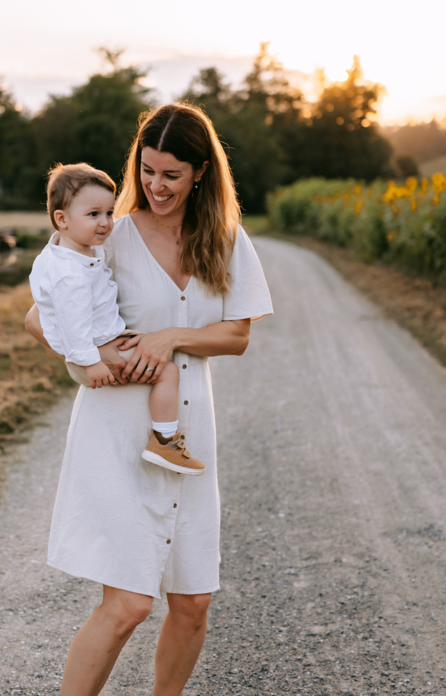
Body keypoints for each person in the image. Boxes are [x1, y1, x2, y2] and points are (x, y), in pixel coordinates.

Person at [25, 102, 273, 696]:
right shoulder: (111, 235)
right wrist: (97, 364)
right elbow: (39, 317)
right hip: (117, 434)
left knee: (193, 602)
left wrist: (170, 338)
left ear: (200, 174)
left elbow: (236, 336)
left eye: (171, 174)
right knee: (128, 603)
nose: (156, 186)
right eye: (148, 170)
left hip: (188, 439)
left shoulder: (226, 242)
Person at [28, 161, 206, 474]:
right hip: (93, 351)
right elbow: (72, 322)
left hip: (98, 343)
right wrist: (90, 361)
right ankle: (164, 442)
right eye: (93, 214)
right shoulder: (70, 274)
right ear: (62, 219)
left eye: (109, 213)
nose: (106, 223)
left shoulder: (73, 250)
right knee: (167, 373)